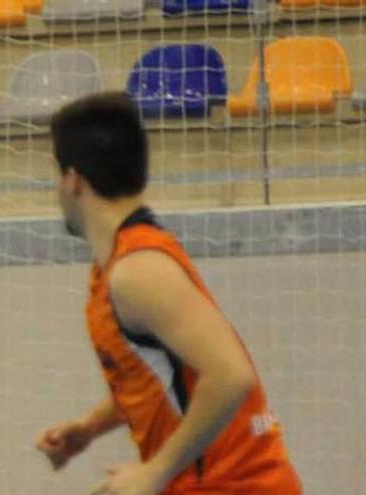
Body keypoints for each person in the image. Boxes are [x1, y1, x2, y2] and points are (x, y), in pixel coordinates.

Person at [35, 93, 303, 495]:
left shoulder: (138, 272)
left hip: (234, 486)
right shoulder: (121, 260)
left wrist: (154, 471)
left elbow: (231, 376)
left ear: (73, 179)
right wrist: (91, 426)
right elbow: (165, 379)